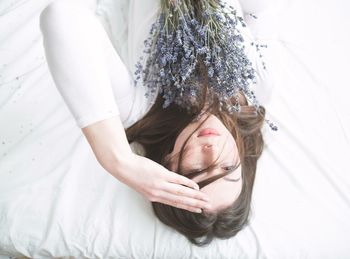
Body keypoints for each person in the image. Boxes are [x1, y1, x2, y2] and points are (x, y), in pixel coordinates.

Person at [39, 0, 265, 246]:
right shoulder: (252, 96)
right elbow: (255, 16)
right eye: (227, 169)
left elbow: (62, 17)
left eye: (197, 171)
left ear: (168, 165)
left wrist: (119, 161)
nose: (212, 154)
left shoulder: (141, 107)